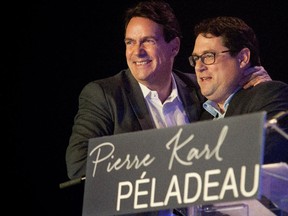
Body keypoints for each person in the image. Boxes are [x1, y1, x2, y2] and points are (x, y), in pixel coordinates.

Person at [65, 1, 271, 215]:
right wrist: (165, 165)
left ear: (174, 46)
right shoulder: (104, 94)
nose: (137, 52)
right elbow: (79, 164)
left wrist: (257, 85)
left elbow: (241, 114)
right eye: (130, 42)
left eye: (148, 41)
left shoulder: (201, 88)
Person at [190, 16, 288, 165]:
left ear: (242, 58)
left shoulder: (269, 94)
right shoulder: (203, 116)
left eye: (208, 56)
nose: (199, 66)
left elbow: (263, 158)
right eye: (196, 58)